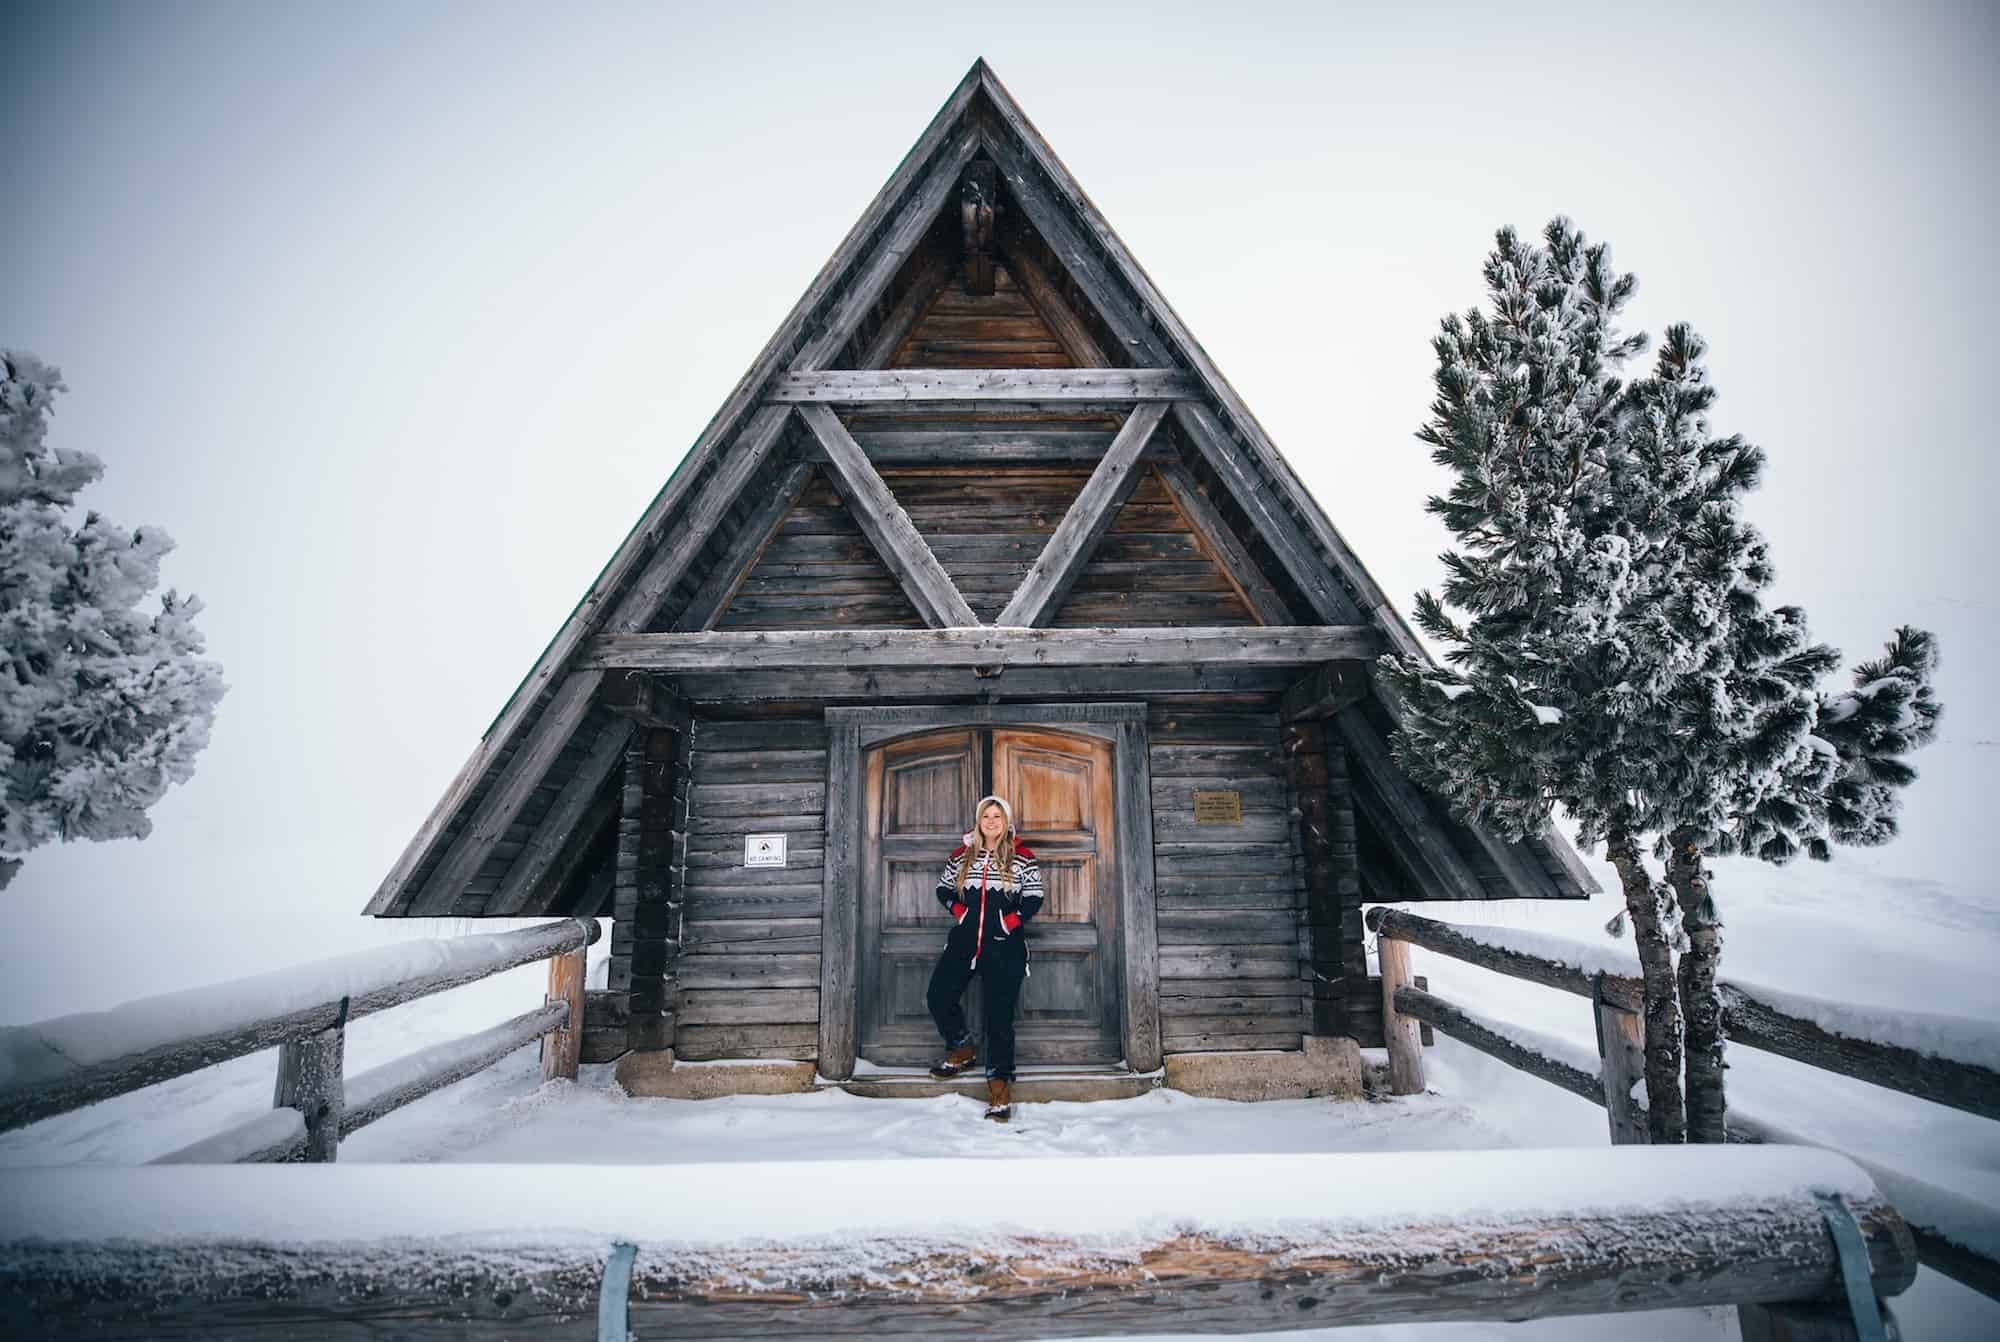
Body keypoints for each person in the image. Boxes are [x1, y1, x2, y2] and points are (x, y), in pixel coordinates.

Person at [926, 794, 1042, 1122]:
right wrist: (960, 912)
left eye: (997, 816)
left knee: (998, 1021)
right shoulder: (961, 856)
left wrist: (1008, 923)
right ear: (979, 821)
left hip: (1004, 948)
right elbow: (944, 890)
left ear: (1006, 822)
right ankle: (961, 1047)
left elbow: (1035, 897)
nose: (991, 821)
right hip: (963, 944)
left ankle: (999, 1088)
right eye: (986, 816)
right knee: (938, 996)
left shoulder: (1022, 857)